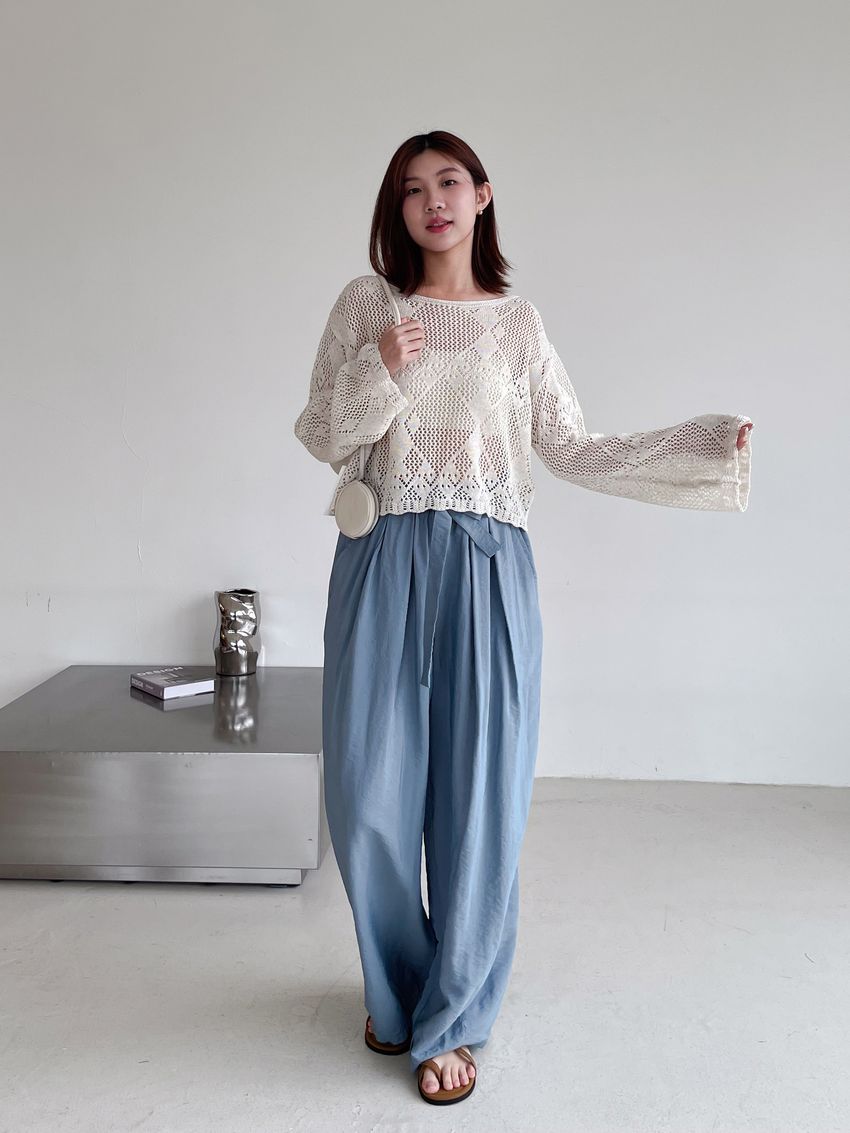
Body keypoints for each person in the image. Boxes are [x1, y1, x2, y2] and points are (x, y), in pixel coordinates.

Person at [293, 130, 754, 1106]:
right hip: (379, 556)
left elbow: (572, 446)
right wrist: (379, 366)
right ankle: (399, 988)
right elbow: (324, 434)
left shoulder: (517, 325)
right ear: (396, 208)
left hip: (489, 564)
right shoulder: (368, 306)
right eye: (412, 188)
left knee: (480, 796)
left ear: (482, 195)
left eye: (449, 182)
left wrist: (704, 444)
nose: (433, 201)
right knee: (368, 792)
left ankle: (450, 1017)